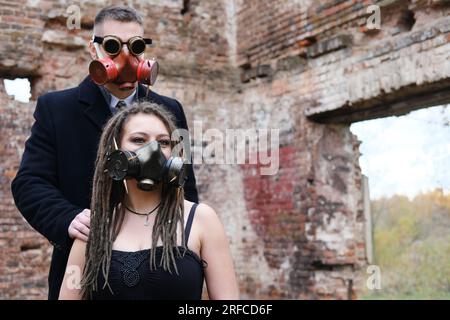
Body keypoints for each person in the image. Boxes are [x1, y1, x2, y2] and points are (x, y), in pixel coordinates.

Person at [10, 5, 198, 300]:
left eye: (135, 47)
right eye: (112, 47)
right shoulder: (56, 109)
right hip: (86, 269)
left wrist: (189, 248)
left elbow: (186, 182)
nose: (125, 58)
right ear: (93, 50)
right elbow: (29, 183)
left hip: (162, 265)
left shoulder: (172, 111)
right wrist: (68, 219)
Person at [58, 102, 239, 299]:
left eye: (163, 142)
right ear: (116, 150)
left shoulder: (201, 219)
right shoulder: (93, 227)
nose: (154, 150)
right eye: (138, 139)